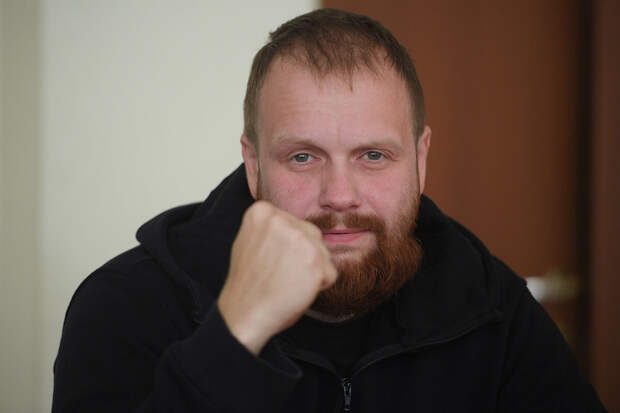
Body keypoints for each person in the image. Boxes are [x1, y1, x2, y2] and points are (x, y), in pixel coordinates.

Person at [52, 8, 606, 412]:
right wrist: (234, 335)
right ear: (253, 164)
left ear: (421, 158)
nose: (339, 195)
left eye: (373, 156)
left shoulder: (493, 308)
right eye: (302, 157)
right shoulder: (126, 304)